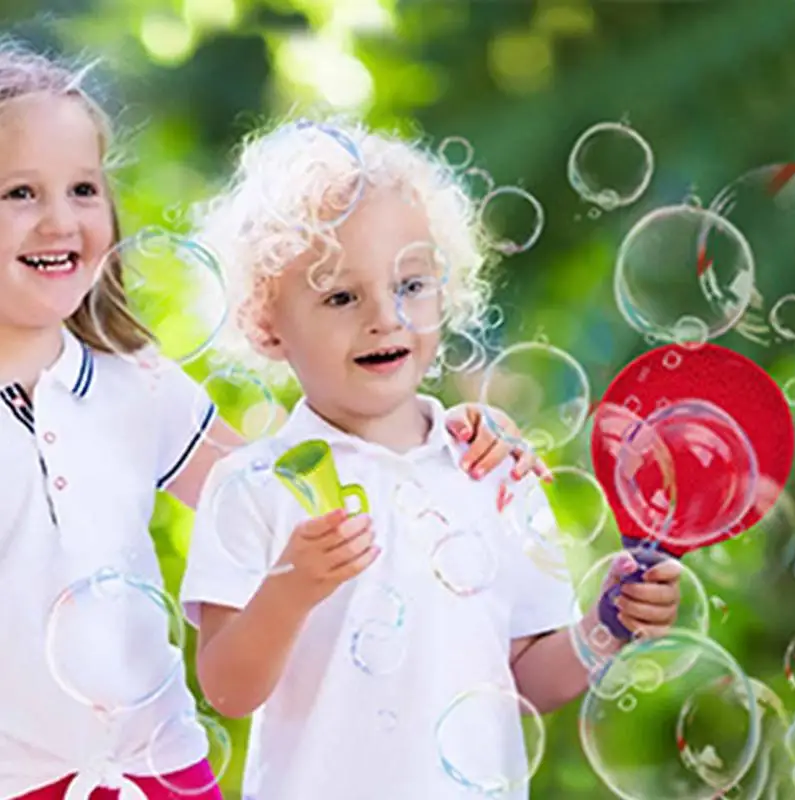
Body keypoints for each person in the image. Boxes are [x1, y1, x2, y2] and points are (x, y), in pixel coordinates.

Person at [0, 44, 537, 800]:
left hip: (159, 770)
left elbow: (302, 476)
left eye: (83, 188)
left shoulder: (141, 389)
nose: (61, 220)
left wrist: (450, 444)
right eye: (20, 192)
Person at [180, 118, 682, 799]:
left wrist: (605, 626)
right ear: (266, 322)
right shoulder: (255, 485)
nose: (385, 317)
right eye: (340, 296)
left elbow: (525, 684)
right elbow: (229, 690)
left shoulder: (491, 469)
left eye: (410, 285)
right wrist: (292, 586)